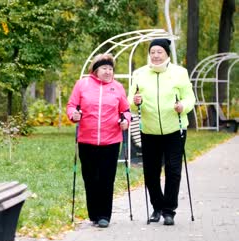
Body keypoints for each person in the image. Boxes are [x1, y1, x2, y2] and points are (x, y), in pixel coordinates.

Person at [128, 38, 195, 226]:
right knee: (151, 172)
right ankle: (157, 207)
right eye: (153, 52)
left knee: (173, 170)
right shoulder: (140, 74)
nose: (156, 55)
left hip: (175, 128)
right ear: (149, 54)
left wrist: (183, 105)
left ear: (166, 54)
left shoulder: (180, 73)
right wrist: (136, 101)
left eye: (160, 52)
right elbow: (130, 101)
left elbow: (190, 97)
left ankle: (169, 211)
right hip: (149, 130)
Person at [67, 53, 131, 228]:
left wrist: (126, 120)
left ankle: (104, 215)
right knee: (90, 178)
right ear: (95, 70)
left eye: (110, 69)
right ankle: (94, 214)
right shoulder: (82, 85)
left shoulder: (118, 87)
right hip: (87, 140)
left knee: (106, 178)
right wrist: (73, 115)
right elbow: (71, 105)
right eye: (104, 68)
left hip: (111, 141)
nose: (108, 72)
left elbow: (125, 110)